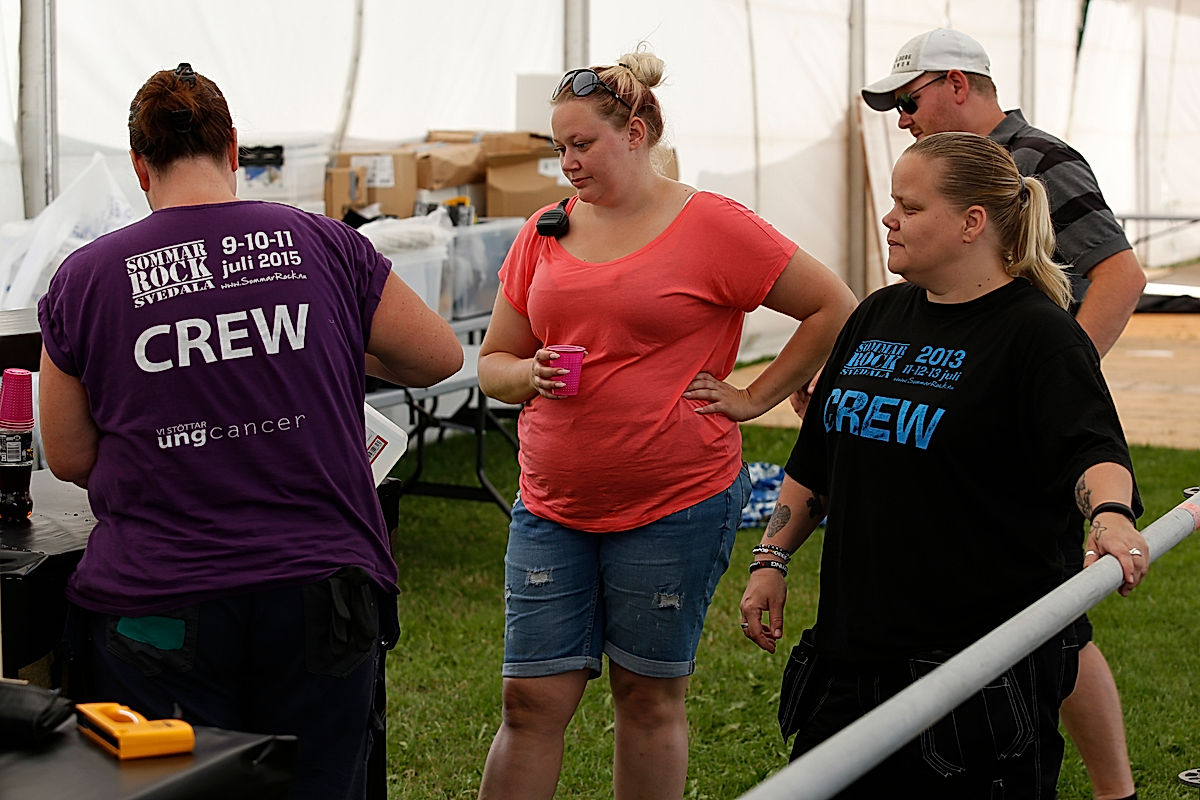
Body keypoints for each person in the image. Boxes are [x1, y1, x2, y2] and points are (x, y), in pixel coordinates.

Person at [37, 64, 463, 800]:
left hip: (160, 604)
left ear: (139, 164)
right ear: (233, 147)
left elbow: (69, 455)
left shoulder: (86, 277)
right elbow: (439, 357)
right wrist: (320, 344)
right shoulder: (324, 244)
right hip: (318, 596)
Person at [474, 48, 857, 800]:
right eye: (559, 147)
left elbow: (832, 305)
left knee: (646, 699)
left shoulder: (710, 223)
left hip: (674, 504)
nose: (568, 163)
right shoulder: (544, 231)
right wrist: (527, 374)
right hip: (552, 505)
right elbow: (492, 361)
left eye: (582, 144)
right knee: (529, 702)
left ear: (637, 133)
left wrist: (755, 396)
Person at [740, 132, 1148, 798]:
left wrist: (1110, 514)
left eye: (910, 206)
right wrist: (771, 558)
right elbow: (818, 458)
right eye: (893, 203)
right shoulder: (876, 315)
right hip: (851, 656)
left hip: (979, 676)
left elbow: (1093, 450)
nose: (889, 218)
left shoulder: (1039, 335)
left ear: (971, 222)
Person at [859, 29, 1148, 800]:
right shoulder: (942, 171)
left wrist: (1048, 385)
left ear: (957, 84)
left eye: (908, 100)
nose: (902, 119)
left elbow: (1120, 273)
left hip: (1014, 435)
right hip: (959, 433)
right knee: (1042, 620)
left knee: (1053, 619)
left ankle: (1113, 789)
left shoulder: (1040, 159)